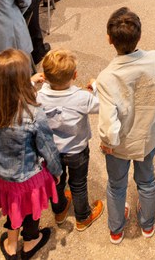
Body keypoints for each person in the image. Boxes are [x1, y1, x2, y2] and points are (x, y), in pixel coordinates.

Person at [96, 7, 155, 244]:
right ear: (139, 35)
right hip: (147, 138)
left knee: (116, 185)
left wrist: (108, 143)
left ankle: (116, 229)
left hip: (118, 147)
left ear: (109, 40)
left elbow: (109, 127)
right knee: (147, 181)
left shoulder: (106, 78)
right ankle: (147, 224)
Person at [0, 49, 59, 260]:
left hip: (2, 175)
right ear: (23, 81)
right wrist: (56, 170)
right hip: (30, 176)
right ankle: (31, 240)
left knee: (12, 207)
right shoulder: (33, 112)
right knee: (30, 209)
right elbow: (46, 147)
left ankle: (11, 245)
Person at [34, 50, 105, 231]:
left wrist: (30, 81)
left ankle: (59, 209)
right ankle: (83, 217)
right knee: (78, 183)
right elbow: (102, 106)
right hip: (77, 150)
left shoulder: (39, 97)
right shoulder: (82, 97)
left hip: (50, 151)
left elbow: (20, 94)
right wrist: (96, 87)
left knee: (56, 181)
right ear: (75, 75)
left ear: (45, 76)